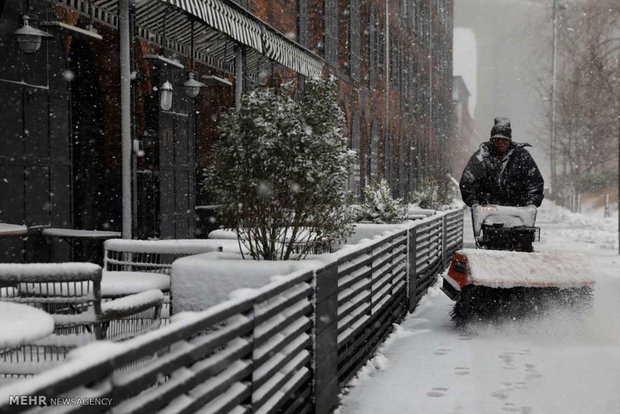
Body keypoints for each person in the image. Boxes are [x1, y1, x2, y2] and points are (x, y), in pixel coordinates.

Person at [459, 117, 544, 209]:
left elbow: (535, 183)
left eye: (504, 140)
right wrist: (475, 203)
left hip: (517, 211)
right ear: (491, 140)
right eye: (497, 139)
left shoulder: (522, 156)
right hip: (487, 211)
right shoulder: (481, 157)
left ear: (509, 141)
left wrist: (531, 204)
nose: (500, 142)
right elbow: (467, 183)